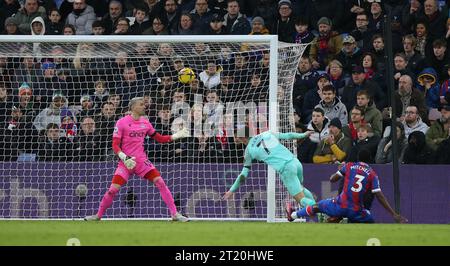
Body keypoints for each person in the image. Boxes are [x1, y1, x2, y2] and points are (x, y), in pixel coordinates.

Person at [85, 97, 190, 222]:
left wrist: (176, 136)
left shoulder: (145, 123)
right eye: (141, 104)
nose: (144, 106)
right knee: (112, 190)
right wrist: (125, 157)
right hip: (126, 163)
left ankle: (174, 214)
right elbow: (115, 145)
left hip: (141, 162)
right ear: (133, 107)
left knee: (160, 182)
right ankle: (98, 216)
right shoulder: (121, 122)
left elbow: (159, 139)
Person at [286, 149, 408, 224]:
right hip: (357, 211)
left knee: (318, 206)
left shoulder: (349, 166)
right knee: (370, 220)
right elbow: (379, 195)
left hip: (339, 205)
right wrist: (393, 214)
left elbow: (332, 180)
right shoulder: (372, 174)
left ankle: (293, 216)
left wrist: (339, 170)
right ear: (370, 160)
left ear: (358, 158)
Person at [222, 128, 317, 209]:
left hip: (286, 169)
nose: (235, 139)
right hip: (295, 162)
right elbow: (288, 135)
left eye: (236, 136)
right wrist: (303, 134)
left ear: (241, 137)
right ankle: (318, 212)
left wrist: (231, 190)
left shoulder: (248, 151)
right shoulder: (266, 133)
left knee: (301, 200)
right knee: (301, 188)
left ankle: (322, 209)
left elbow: (243, 175)